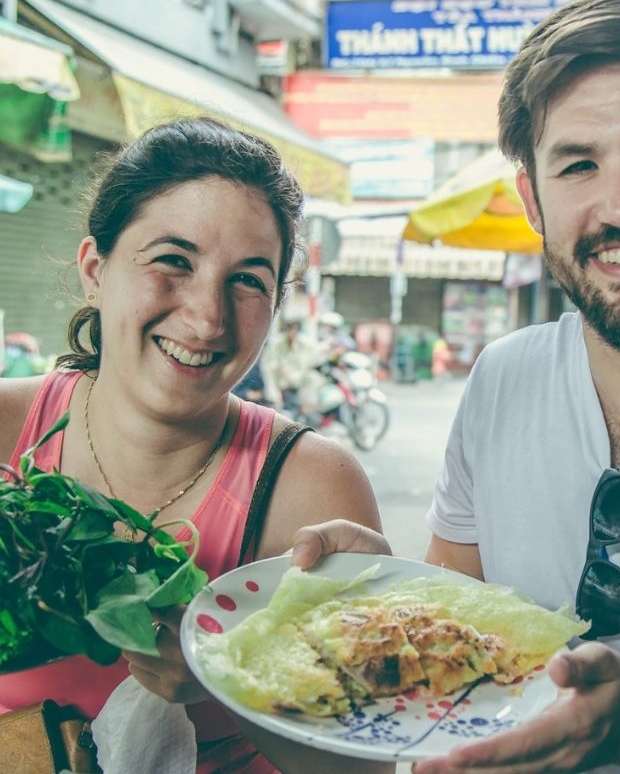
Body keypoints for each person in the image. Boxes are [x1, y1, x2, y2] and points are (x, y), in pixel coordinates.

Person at [290, 0, 620, 774]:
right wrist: (382, 597)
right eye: (578, 164)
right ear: (532, 196)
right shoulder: (504, 379)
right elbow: (460, 639)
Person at [0, 118, 393, 774]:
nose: (207, 316)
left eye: (247, 280)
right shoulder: (8, 429)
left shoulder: (312, 488)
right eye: (173, 262)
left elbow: (368, 766)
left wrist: (234, 678)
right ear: (95, 270)